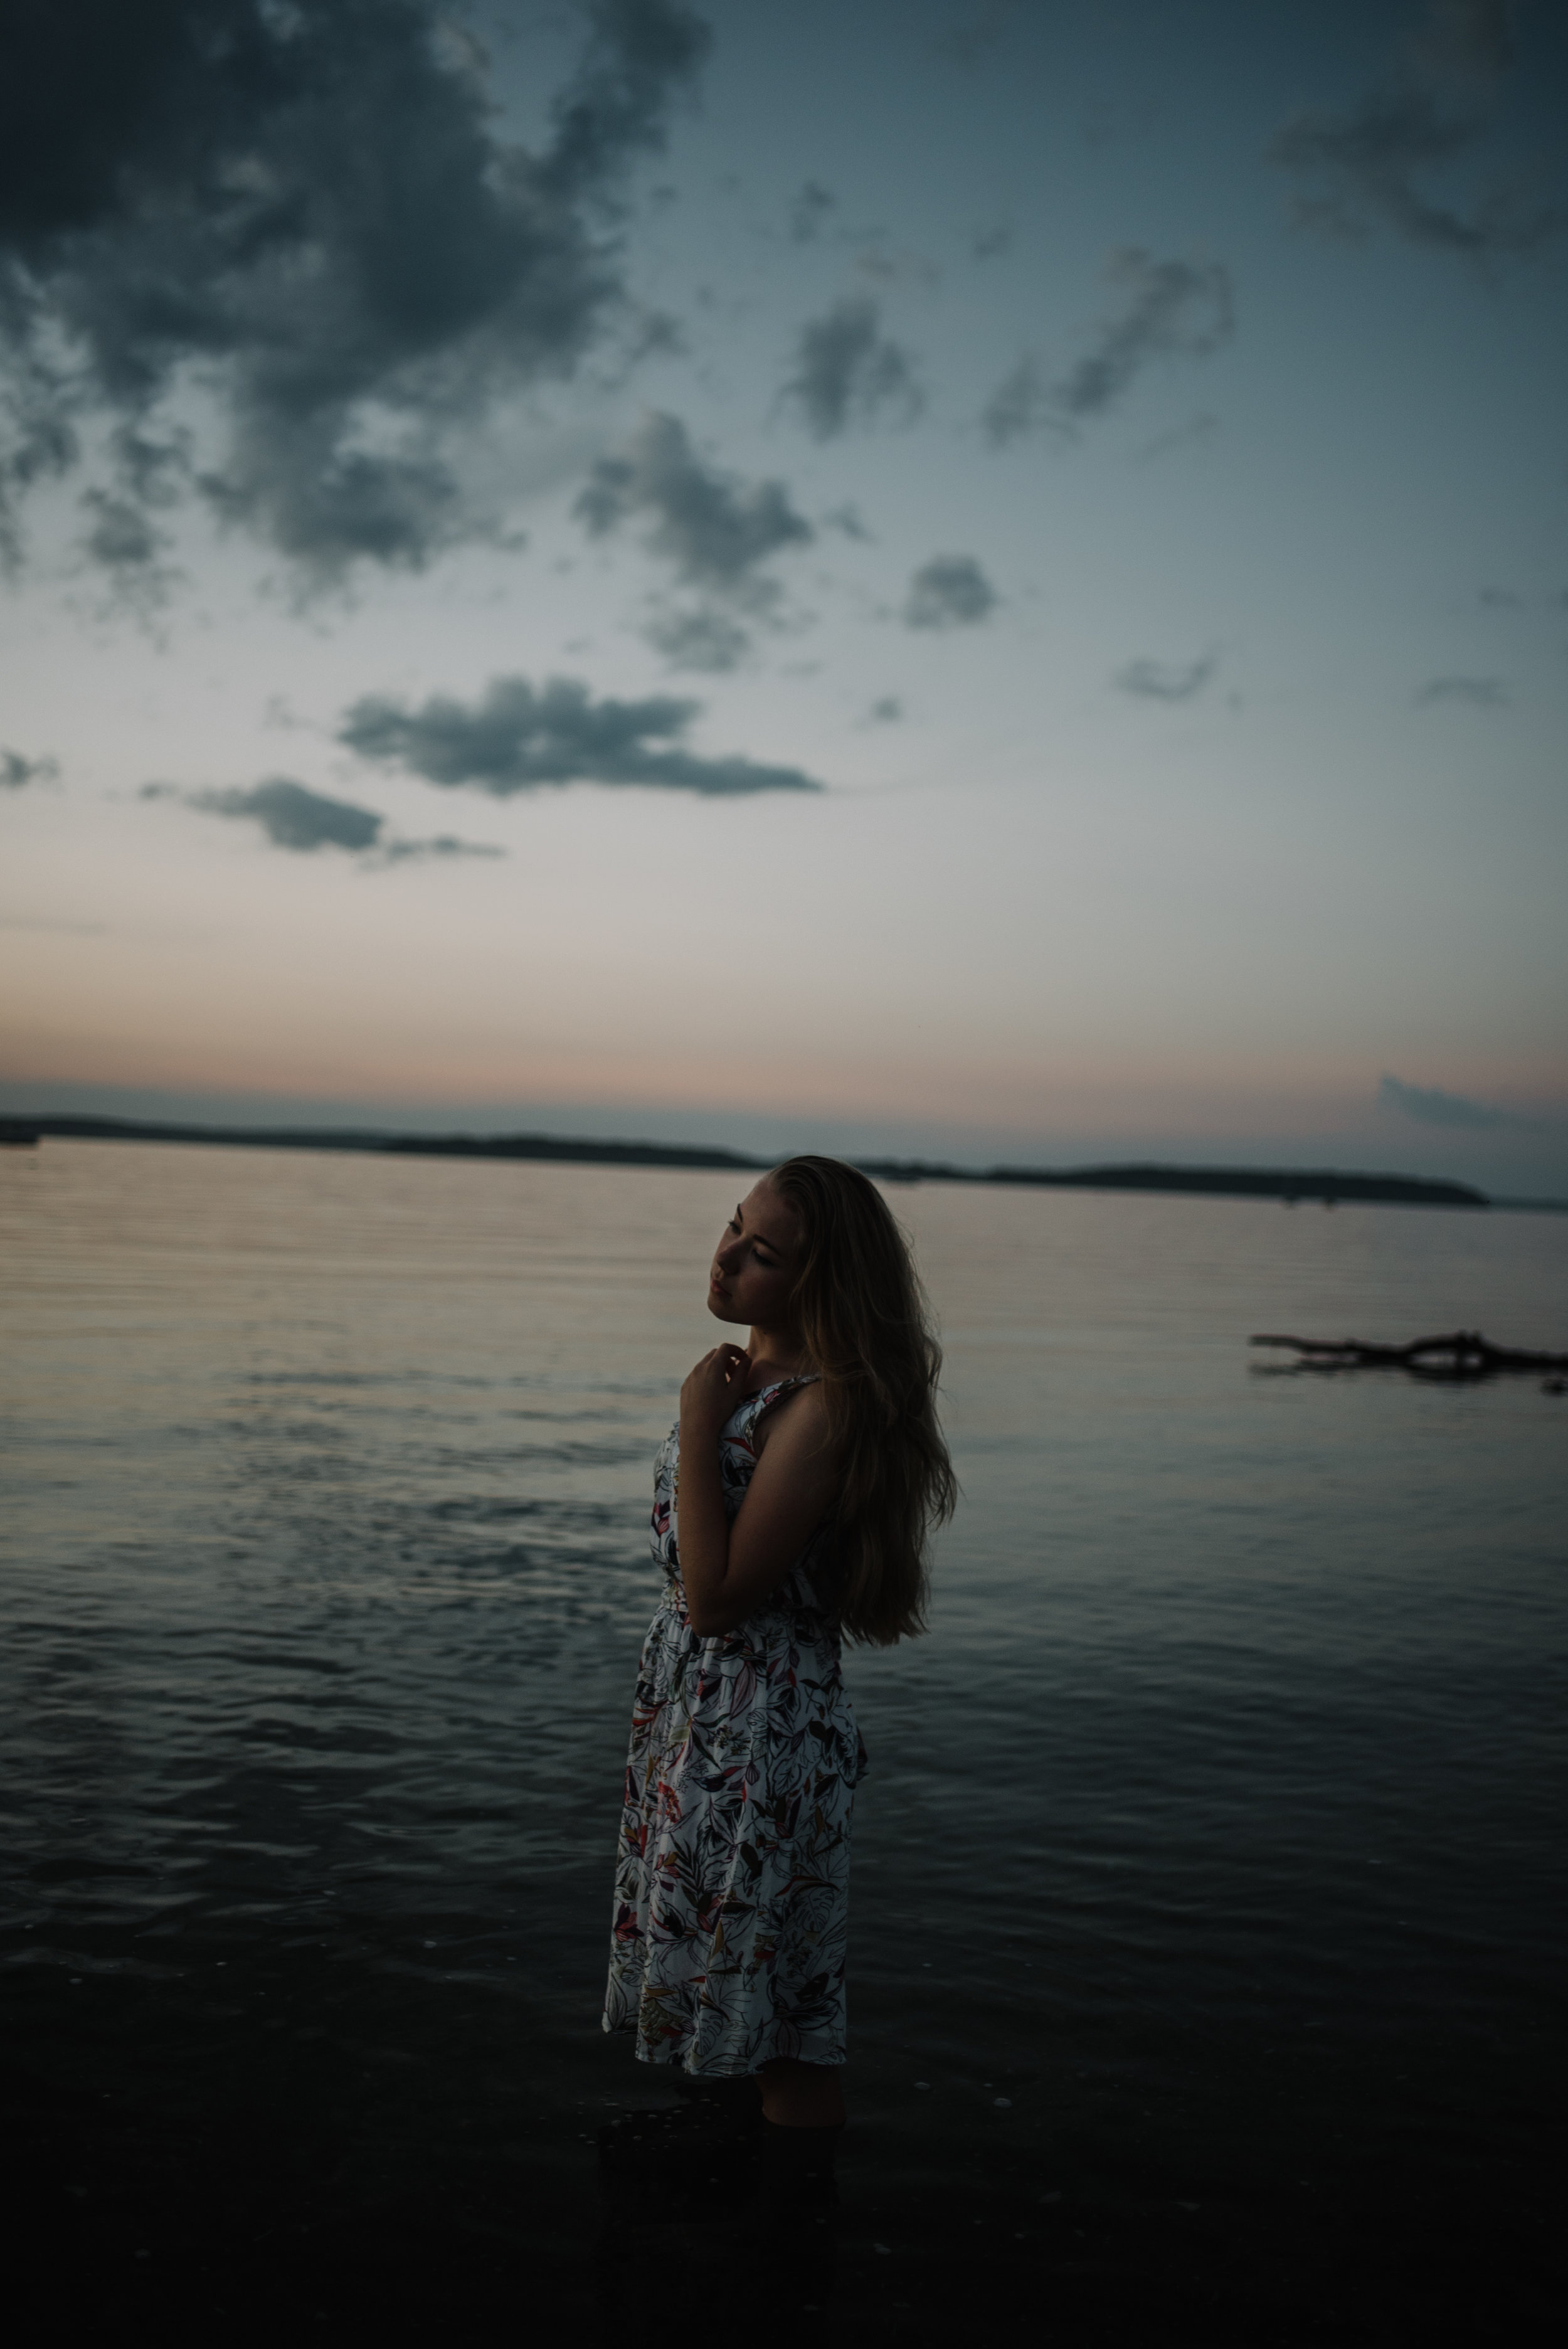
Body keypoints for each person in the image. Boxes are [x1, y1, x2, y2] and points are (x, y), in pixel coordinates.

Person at [601, 1153, 956, 2166]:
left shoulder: (821, 1408)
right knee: (744, 2009)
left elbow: (717, 1599)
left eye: (763, 1253)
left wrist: (694, 1420)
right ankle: (740, 2231)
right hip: (705, 1716)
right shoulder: (746, 1379)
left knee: (786, 2026)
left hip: (762, 1729)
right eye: (732, 1226)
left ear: (818, 1283)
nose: (727, 1259)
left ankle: (800, 2236)